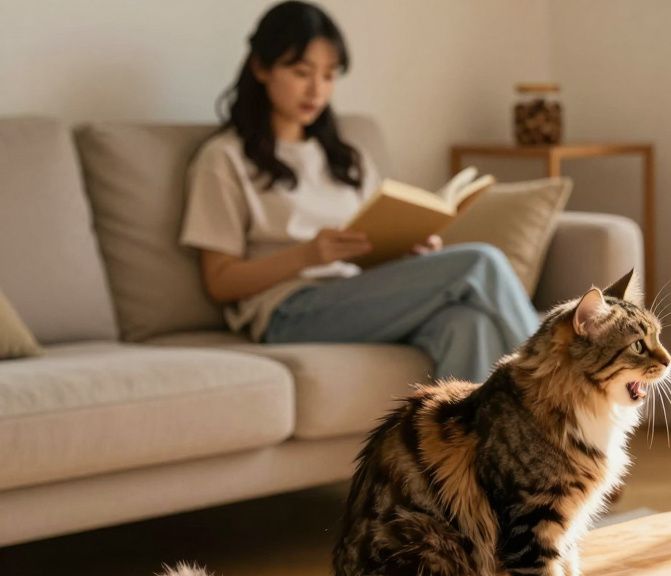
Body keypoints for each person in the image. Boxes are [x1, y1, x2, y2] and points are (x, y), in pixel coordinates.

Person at [180, 1, 538, 382]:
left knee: (465, 324)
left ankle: (472, 441)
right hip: (288, 312)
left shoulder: (346, 158)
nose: (316, 89)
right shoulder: (224, 158)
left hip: (356, 294)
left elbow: (368, 251)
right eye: (301, 72)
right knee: (479, 262)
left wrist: (407, 252)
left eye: (329, 75)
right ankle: (560, 382)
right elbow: (219, 282)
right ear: (260, 68)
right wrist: (307, 255)